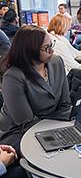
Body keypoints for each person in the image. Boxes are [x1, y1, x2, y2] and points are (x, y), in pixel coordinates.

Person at [0, 25, 72, 154]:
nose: (52, 51)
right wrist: (59, 130)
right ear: (29, 50)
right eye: (46, 48)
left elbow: (65, 104)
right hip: (18, 133)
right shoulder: (13, 76)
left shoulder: (56, 63)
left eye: (51, 44)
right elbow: (26, 123)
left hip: (51, 124)